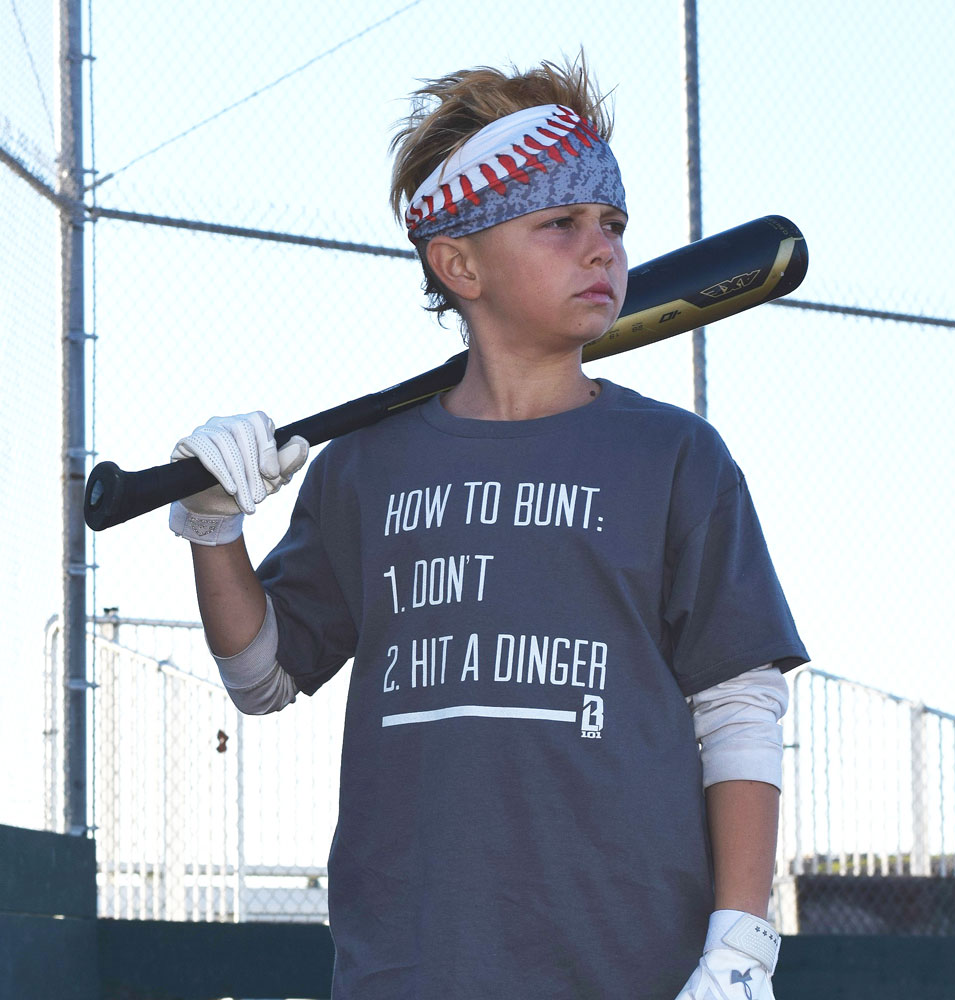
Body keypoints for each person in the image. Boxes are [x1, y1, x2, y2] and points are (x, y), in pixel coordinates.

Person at [169, 55, 808, 1000]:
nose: (602, 250)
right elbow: (260, 677)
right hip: (409, 966)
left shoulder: (676, 457)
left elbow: (740, 707)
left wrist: (741, 940)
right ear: (459, 264)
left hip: (636, 966)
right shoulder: (364, 466)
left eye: (613, 224)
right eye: (560, 223)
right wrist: (213, 528)